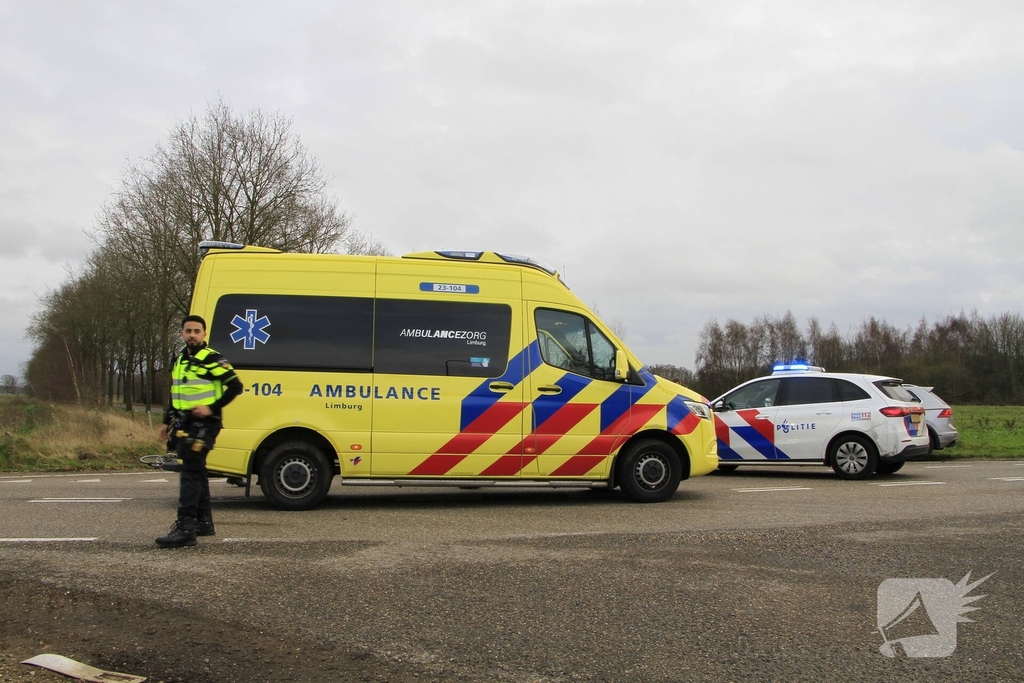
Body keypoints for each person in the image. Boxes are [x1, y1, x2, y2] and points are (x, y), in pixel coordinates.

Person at [155, 315, 243, 548]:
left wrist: (210, 407)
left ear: (204, 334)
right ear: (182, 334)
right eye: (188, 331)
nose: (192, 334)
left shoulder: (212, 358)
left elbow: (236, 386)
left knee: (190, 473)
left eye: (197, 331)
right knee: (197, 471)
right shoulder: (180, 360)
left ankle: (185, 528)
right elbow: (177, 394)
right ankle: (204, 522)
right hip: (185, 422)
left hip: (206, 423)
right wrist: (167, 422)